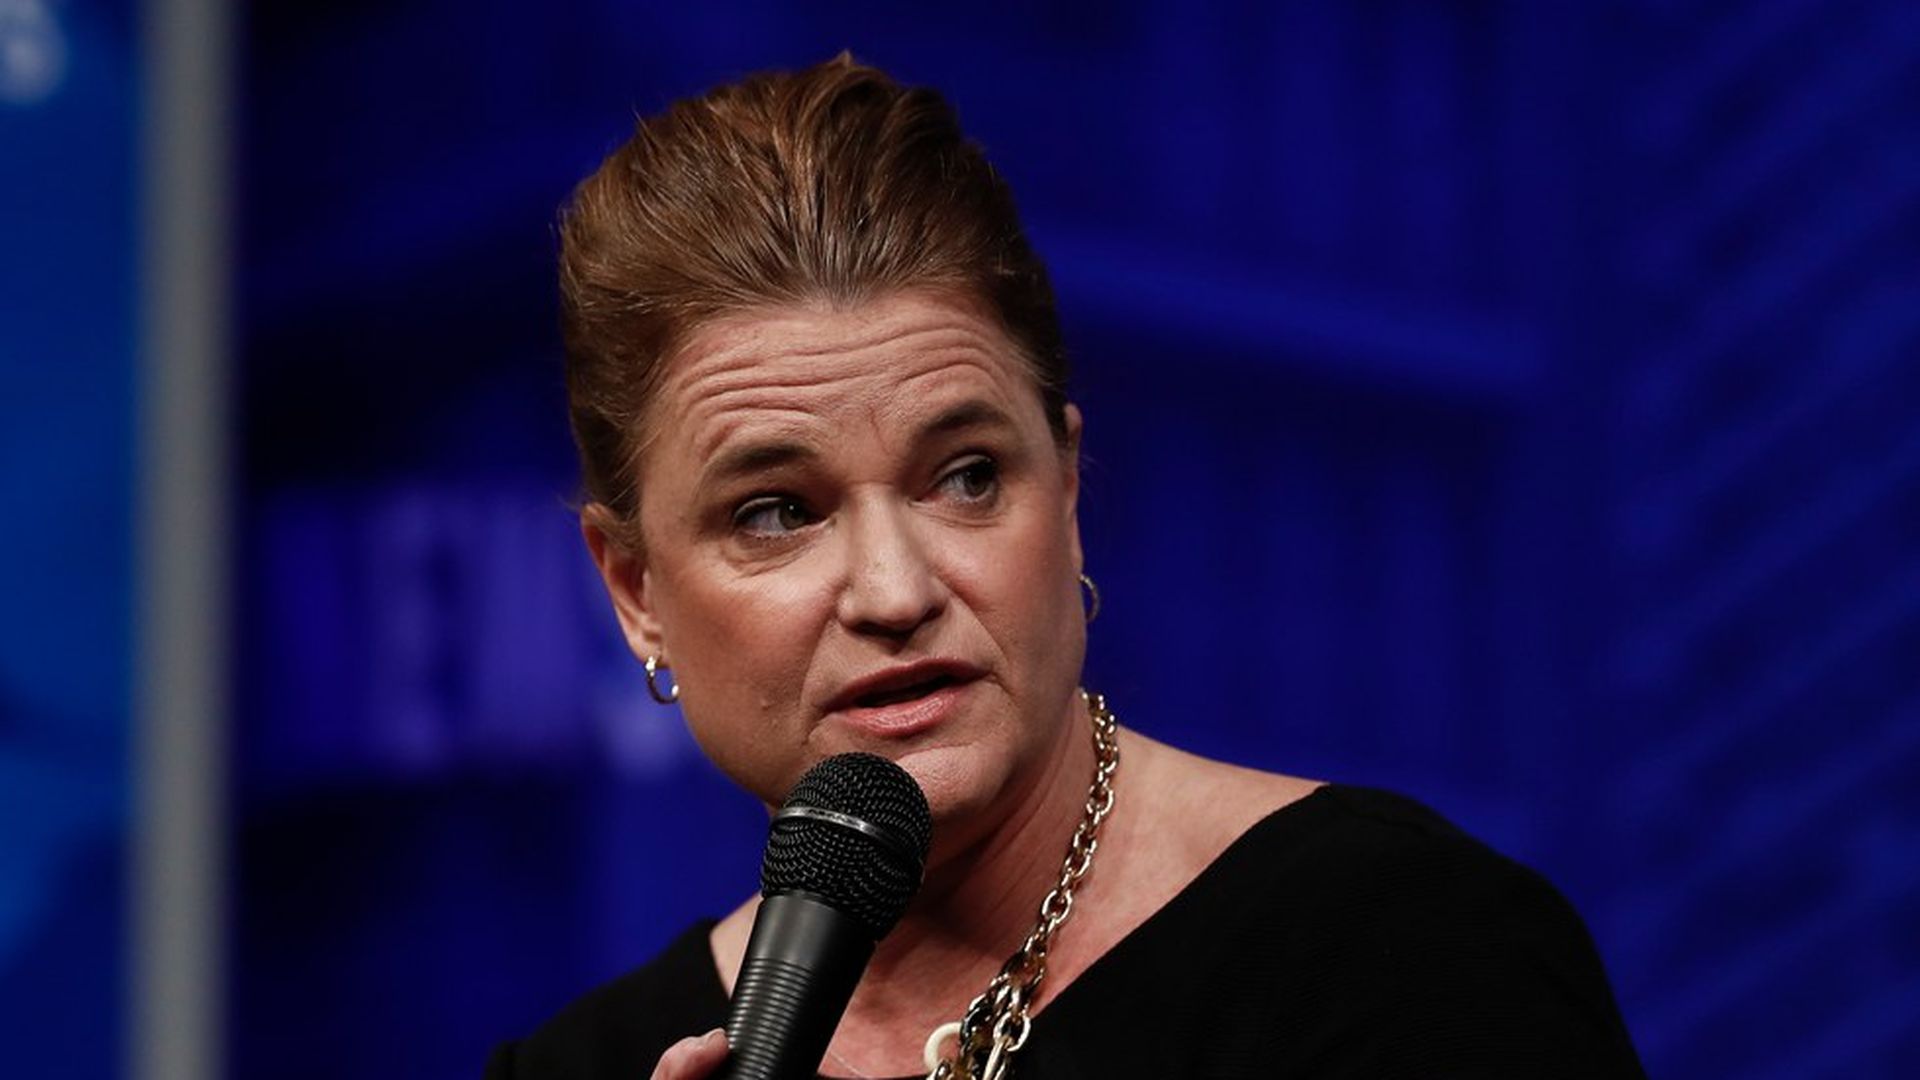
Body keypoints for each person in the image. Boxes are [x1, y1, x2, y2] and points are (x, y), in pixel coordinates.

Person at [486, 55, 1646, 1080]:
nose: (896, 592)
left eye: (967, 477)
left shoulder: (1404, 950)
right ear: (635, 592)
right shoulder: (578, 1070)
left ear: (1071, 491)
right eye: (778, 512)